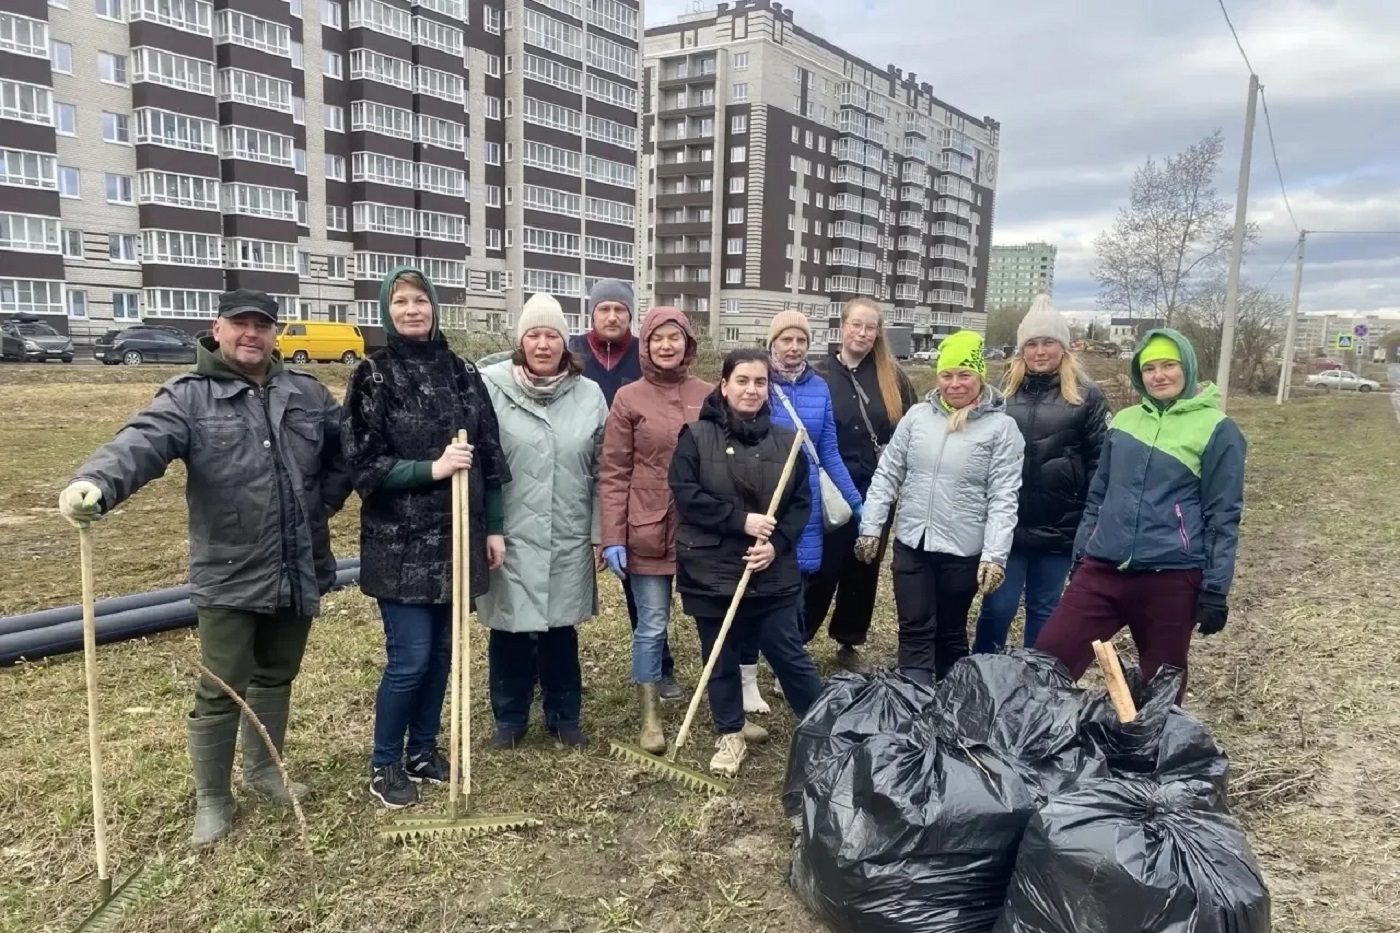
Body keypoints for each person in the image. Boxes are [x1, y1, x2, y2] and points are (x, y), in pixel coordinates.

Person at [57, 289, 352, 846]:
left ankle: (265, 772)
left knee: (276, 673)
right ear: (217, 330)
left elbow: (345, 454)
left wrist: (324, 502)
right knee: (221, 685)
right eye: (240, 325)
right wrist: (95, 482)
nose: (251, 335)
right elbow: (140, 443)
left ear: (274, 334)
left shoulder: (307, 393)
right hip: (231, 569)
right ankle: (214, 798)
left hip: (299, 562)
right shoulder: (189, 398)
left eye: (262, 326)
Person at [341, 266, 511, 809]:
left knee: (442, 652)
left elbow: (488, 454)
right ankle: (384, 762)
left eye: (420, 301)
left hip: (459, 535)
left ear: (435, 307)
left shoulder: (463, 372)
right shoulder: (374, 375)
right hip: (400, 544)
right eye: (400, 302)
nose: (412, 310)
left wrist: (497, 527)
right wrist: (431, 469)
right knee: (409, 657)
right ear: (387, 310)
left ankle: (423, 749)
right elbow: (363, 464)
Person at [1033, 329, 1246, 701]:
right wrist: (1082, 556)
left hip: (1171, 576)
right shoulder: (1126, 422)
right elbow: (1098, 495)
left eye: (1168, 365)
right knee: (1051, 656)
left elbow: (1222, 514)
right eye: (1149, 368)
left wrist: (1215, 588)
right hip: (1103, 569)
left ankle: (1151, 753)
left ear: (1188, 369)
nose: (1158, 375)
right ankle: (1038, 739)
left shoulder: (1217, 429)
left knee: (1161, 682)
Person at [668, 349, 825, 777]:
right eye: (742, 380)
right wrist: (742, 522)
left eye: (759, 382)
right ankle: (731, 733)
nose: (751, 389)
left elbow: (799, 504)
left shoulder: (787, 441)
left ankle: (826, 728)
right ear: (724, 385)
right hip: (711, 570)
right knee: (719, 656)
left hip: (770, 570)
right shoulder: (696, 437)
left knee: (788, 652)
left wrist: (777, 545)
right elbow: (687, 496)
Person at [476, 293, 609, 748]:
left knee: (560, 629)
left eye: (552, 334)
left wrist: (598, 534)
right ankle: (509, 719)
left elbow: (601, 469)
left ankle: (564, 715)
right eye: (533, 334)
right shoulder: (489, 387)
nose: (543, 344)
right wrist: (484, 526)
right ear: (521, 341)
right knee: (510, 629)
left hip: (567, 529)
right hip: (510, 531)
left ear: (564, 342)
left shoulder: (588, 394)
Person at [856, 330, 1025, 685]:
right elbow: (887, 474)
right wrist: (871, 527)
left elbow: (1003, 496)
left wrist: (994, 555)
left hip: (962, 549)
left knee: (949, 631)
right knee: (914, 627)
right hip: (913, 543)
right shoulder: (918, 417)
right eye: (947, 375)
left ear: (980, 376)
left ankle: (952, 701)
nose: (955, 384)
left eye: (964, 374)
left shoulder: (1002, 428)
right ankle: (914, 701)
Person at [598, 307, 712, 755]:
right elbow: (613, 473)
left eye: (675, 337)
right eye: (657, 338)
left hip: (702, 528)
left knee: (712, 619)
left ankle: (727, 709)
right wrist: (612, 536)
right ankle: (650, 716)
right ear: (645, 344)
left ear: (688, 343)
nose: (667, 345)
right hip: (646, 526)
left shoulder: (710, 395)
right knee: (651, 625)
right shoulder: (629, 398)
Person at [972, 294, 1111, 654]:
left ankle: (1037, 681)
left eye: (1048, 342)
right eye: (1031, 344)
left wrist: (1089, 519)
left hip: (1061, 526)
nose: (1040, 351)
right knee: (997, 608)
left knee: (1045, 610)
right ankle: (983, 675)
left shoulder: (1087, 396)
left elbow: (1100, 462)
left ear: (1063, 347)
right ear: (1021, 351)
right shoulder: (1002, 393)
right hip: (1009, 527)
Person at [740, 310, 861, 714]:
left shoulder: (820, 387)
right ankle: (748, 675)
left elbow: (828, 451)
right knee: (756, 590)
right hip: (765, 501)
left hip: (805, 505)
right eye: (785, 340)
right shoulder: (759, 383)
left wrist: (857, 504)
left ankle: (785, 665)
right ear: (772, 343)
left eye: (801, 341)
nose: (793, 349)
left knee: (796, 589)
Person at [569, 279, 681, 700]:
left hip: (641, 488)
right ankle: (548, 670)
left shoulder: (647, 352)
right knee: (563, 578)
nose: (613, 317)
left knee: (643, 588)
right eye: (604, 309)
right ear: (592, 314)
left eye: (620, 309)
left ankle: (660, 666)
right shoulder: (572, 351)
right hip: (581, 475)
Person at [807, 298, 917, 673]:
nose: (863, 334)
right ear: (842, 327)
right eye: (856, 325)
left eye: (870, 328)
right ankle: (800, 636)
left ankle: (849, 639)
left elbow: (908, 430)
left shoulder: (893, 377)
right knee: (822, 568)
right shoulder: (819, 375)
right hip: (830, 491)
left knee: (863, 567)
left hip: (876, 490)